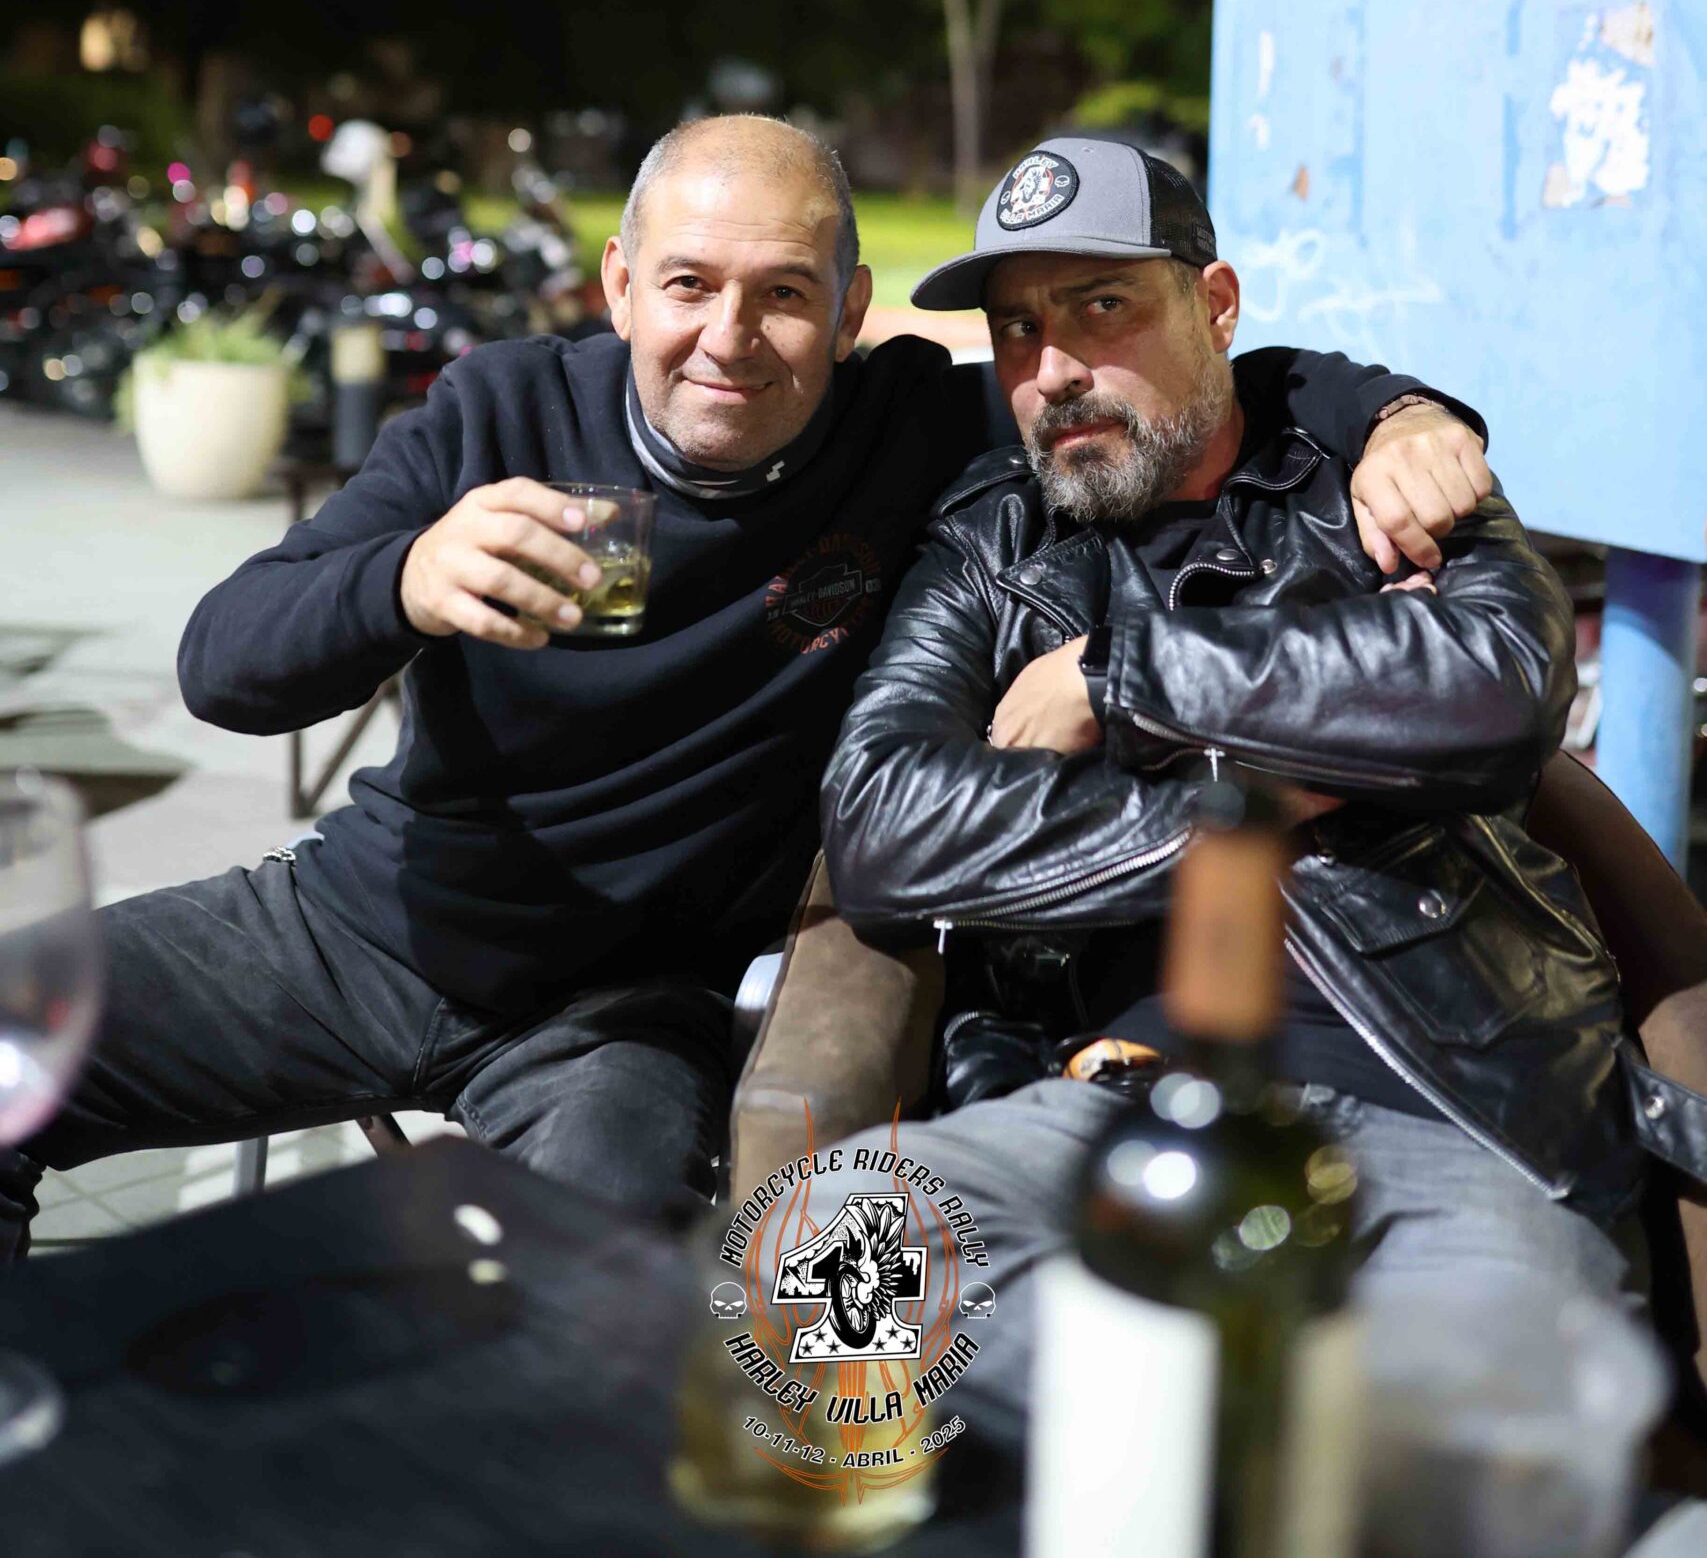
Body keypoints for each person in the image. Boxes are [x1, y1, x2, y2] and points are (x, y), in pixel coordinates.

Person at [0, 120, 1490, 1257]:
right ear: (619, 285)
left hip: (619, 1017)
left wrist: (1395, 412)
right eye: (688, 285)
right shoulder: (500, 412)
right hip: (362, 928)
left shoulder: (911, 429)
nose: (729, 338)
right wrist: (404, 579)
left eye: (783, 295)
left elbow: (1178, 373)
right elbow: (224, 664)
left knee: (591, 1303)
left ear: (848, 313)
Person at [818, 133, 1656, 1446]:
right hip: (1111, 1098)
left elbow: (1498, 685)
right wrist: (1260, 797)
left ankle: (1203, 1454)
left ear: (1214, 305)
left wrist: (1126, 677)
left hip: (1442, 1109)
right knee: (811, 1263)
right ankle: (1227, 1450)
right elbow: (883, 822)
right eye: (1020, 326)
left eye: (1103, 305)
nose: (1055, 367)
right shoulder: (991, 543)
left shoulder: (1380, 471)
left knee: (1483, 1414)